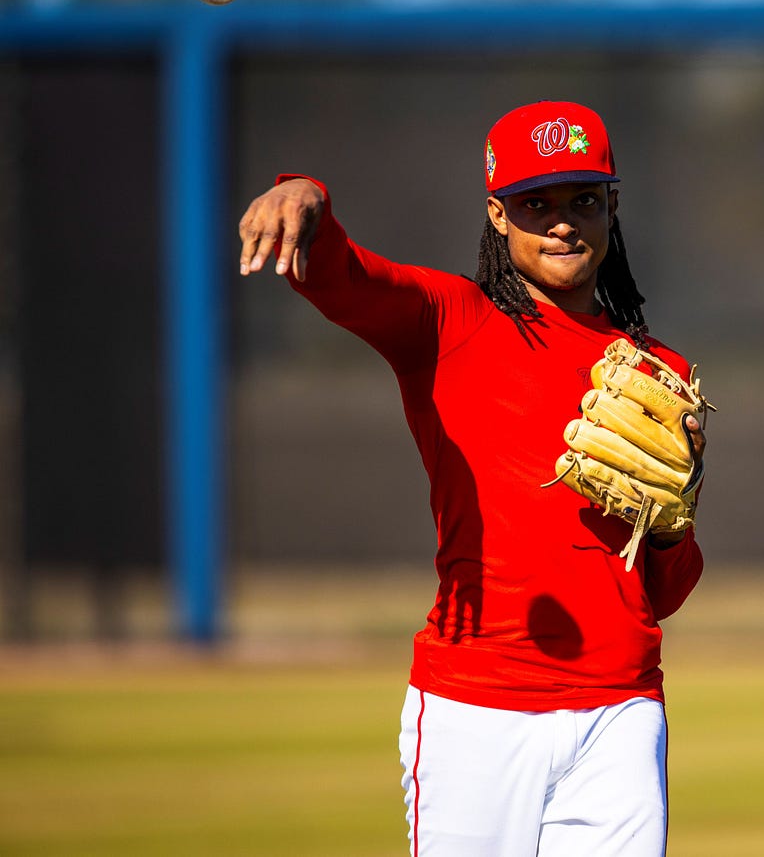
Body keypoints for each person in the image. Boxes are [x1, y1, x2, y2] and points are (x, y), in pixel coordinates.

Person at [237, 100, 706, 856]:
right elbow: (347, 279)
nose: (563, 222)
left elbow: (663, 592)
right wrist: (306, 194)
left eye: (583, 200)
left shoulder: (658, 375)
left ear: (612, 206)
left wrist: (673, 525)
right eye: (536, 204)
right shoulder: (451, 321)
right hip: (476, 707)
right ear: (497, 214)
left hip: (620, 705)